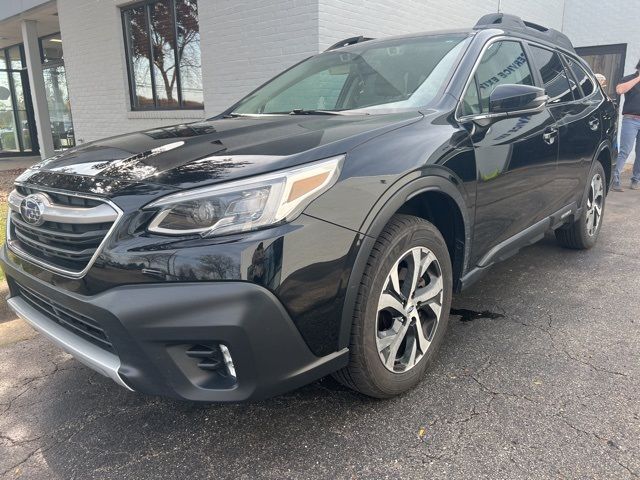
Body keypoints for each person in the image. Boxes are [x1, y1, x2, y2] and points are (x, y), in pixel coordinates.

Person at [613, 59, 640, 191]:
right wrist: (638, 78)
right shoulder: (629, 79)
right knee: (625, 151)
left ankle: (635, 180)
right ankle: (615, 179)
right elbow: (619, 90)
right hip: (631, 119)